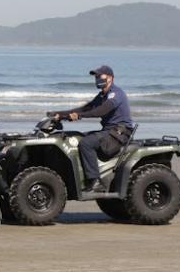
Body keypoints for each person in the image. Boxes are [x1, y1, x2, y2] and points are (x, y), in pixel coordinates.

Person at [51, 65, 134, 193]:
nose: (97, 79)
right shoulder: (102, 95)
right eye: (96, 77)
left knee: (86, 143)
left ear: (110, 78)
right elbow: (86, 108)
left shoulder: (115, 94)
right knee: (77, 137)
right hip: (108, 131)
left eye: (100, 76)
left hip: (118, 134)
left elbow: (101, 110)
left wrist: (79, 116)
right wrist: (60, 114)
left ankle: (95, 181)